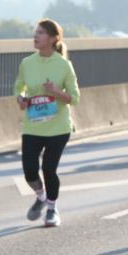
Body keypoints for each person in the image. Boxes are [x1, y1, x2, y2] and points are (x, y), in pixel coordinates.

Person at [14, 19, 81, 228]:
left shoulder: (63, 65)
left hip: (58, 127)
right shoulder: (27, 63)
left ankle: (52, 209)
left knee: (49, 169)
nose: (36, 36)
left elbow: (75, 97)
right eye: (36, 32)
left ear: (53, 39)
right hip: (33, 125)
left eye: (41, 33)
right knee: (29, 171)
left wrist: (56, 92)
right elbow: (19, 86)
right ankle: (41, 197)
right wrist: (21, 98)